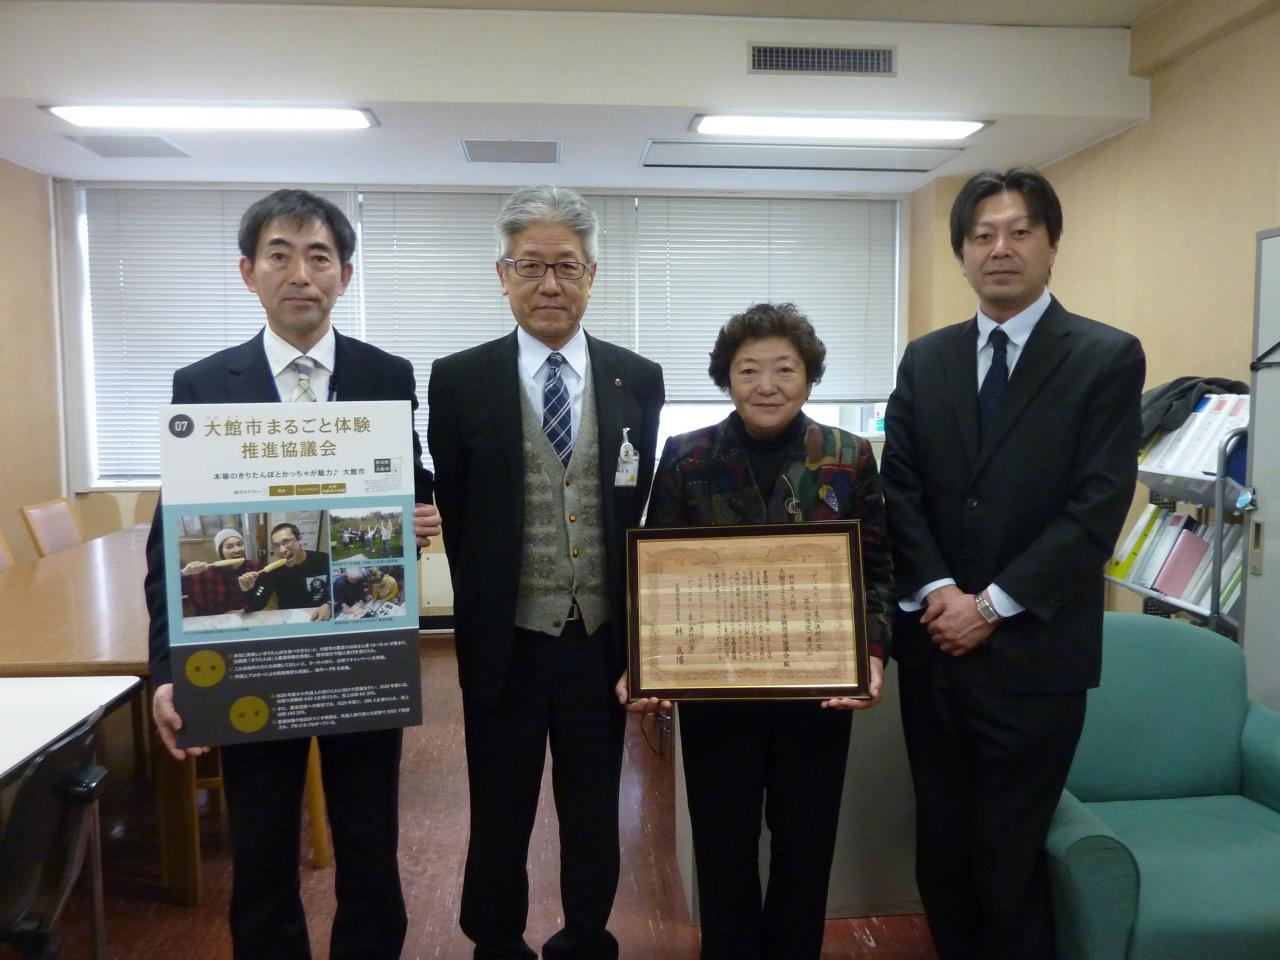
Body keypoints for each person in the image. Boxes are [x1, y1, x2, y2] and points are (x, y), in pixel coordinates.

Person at [143, 188, 440, 960]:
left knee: (371, 846)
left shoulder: (388, 374)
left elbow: (404, 497)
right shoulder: (205, 384)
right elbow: (168, 541)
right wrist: (166, 669)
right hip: (249, 658)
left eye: (319, 256)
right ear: (249, 272)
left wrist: (418, 520)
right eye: (280, 255)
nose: (300, 272)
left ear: (344, 273)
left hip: (358, 648)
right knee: (264, 852)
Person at [879, 167, 1145, 960]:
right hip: (935, 652)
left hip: (1036, 656)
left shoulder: (1104, 357)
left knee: (1011, 856)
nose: (1001, 248)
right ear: (962, 252)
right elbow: (902, 486)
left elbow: (1096, 510)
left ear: (1051, 243)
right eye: (982, 234)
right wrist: (939, 593)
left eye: (1020, 230)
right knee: (943, 853)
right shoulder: (926, 359)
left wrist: (990, 605)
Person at [428, 184, 665, 960]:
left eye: (567, 266)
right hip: (507, 637)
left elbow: (636, 506)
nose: (550, 285)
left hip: (599, 639)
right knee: (501, 803)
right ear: (502, 274)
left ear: (594, 273)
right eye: (531, 266)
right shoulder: (458, 379)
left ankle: (587, 935)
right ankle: (494, 939)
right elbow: (456, 511)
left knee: (593, 804)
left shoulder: (639, 378)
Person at [643, 302, 893, 960]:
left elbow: (877, 565)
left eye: (785, 368)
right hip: (716, 695)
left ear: (809, 377)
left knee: (805, 847)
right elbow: (658, 574)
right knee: (722, 851)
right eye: (748, 369)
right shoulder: (687, 456)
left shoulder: (847, 457)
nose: (767, 383)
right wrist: (654, 662)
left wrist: (871, 652)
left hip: (817, 690)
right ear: (726, 378)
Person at [240, 521, 332, 620]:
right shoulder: (274, 571)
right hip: (290, 620)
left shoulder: (324, 560)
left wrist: (329, 604)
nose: (282, 550)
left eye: (286, 542)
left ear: (299, 540)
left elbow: (338, 589)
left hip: (321, 616)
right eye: (276, 545)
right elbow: (256, 606)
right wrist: (247, 590)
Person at [181, 527, 258, 616]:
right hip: (217, 619)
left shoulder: (254, 566)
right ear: (221, 552)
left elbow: (260, 597)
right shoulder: (209, 572)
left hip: (246, 616)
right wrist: (184, 573)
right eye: (229, 547)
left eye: (239, 544)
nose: (237, 550)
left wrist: (247, 609)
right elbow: (175, 589)